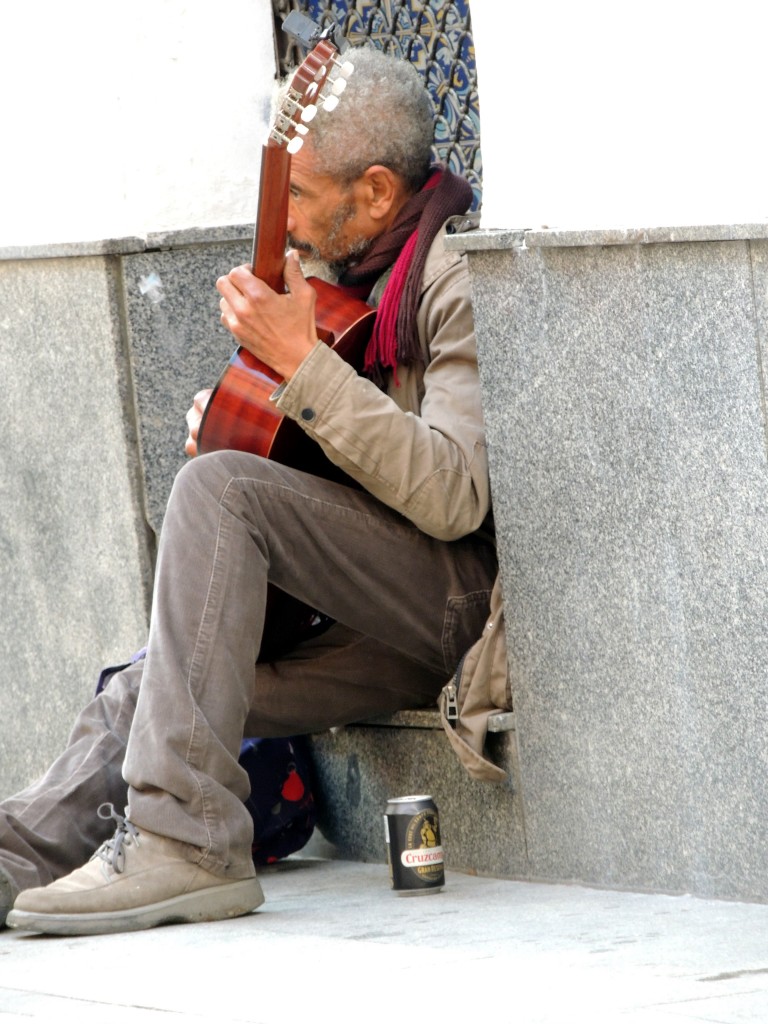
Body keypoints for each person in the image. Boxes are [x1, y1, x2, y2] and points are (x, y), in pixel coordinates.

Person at [0, 45, 497, 937]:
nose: (285, 222)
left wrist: (301, 368)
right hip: (345, 616)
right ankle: (14, 857)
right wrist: (255, 419)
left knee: (219, 489)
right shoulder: (336, 282)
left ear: (375, 192)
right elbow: (334, 468)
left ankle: (187, 843)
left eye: (297, 194)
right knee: (151, 690)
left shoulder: (453, 281)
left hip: (443, 608)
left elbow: (455, 495)